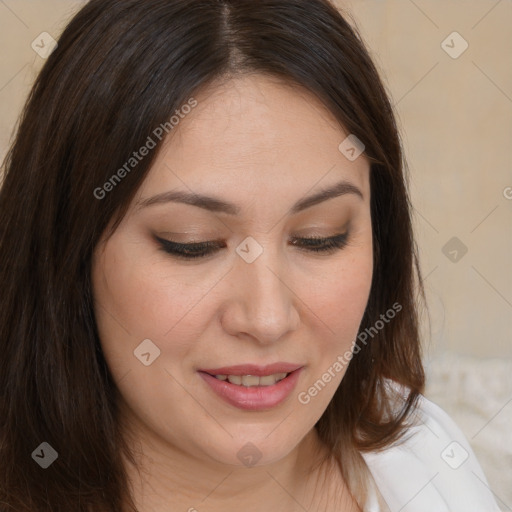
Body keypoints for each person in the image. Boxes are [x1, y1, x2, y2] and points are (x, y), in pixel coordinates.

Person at [0, 1, 501, 511]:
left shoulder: (426, 457)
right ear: (67, 249)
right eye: (190, 243)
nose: (267, 318)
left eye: (319, 237)